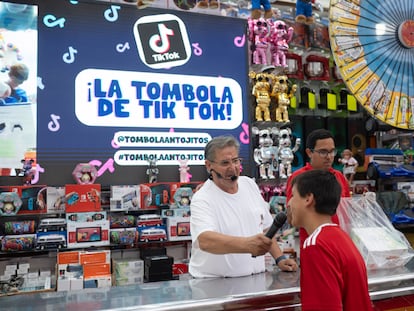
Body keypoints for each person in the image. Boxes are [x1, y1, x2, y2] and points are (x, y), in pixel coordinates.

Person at [189, 135, 297, 278]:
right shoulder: (203, 198)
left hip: (255, 280)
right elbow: (205, 240)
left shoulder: (249, 185)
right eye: (225, 163)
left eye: (235, 161)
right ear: (209, 166)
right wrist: (247, 245)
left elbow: (265, 230)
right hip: (215, 284)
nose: (232, 168)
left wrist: (280, 258)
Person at [288, 170, 373, 310]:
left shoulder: (316, 245)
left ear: (308, 199)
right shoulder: (342, 237)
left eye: (293, 195)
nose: (289, 203)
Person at [285, 129, 350, 248]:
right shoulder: (299, 178)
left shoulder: (339, 177)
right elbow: (291, 217)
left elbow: (347, 213)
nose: (329, 157)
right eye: (323, 152)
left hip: (340, 241)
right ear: (309, 152)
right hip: (313, 245)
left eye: (332, 151)